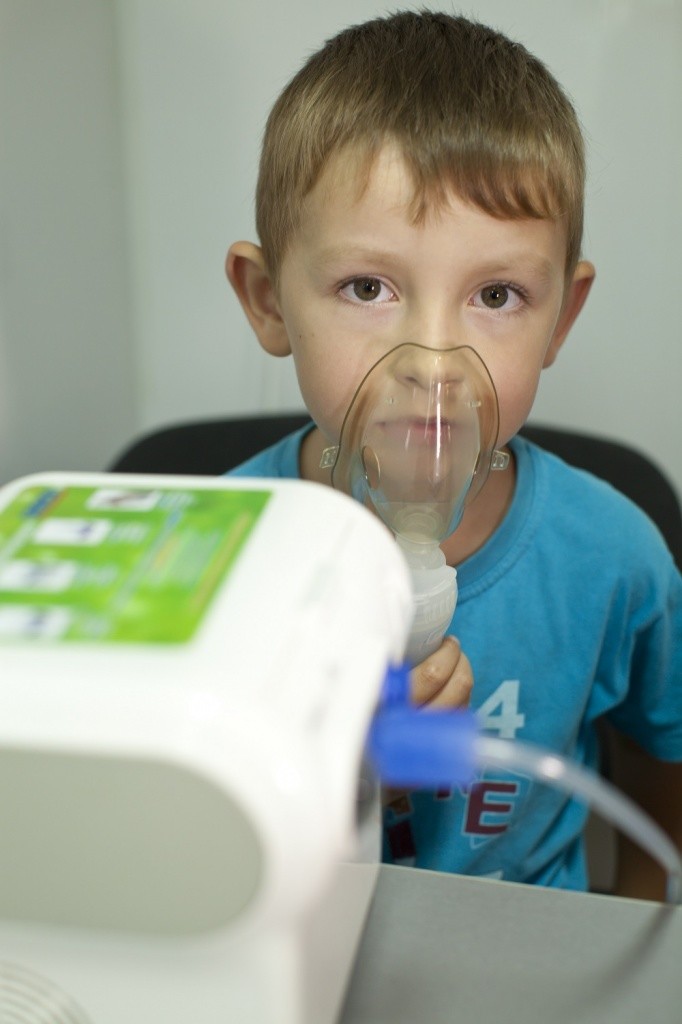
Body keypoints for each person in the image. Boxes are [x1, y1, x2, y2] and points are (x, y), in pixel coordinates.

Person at [225, 10, 682, 900]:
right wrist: (347, 782)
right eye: (367, 286)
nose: (432, 364)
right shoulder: (224, 554)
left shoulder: (610, 559)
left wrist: (632, 927)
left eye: (497, 295)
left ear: (562, 317)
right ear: (269, 300)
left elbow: (664, 770)